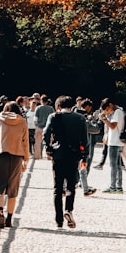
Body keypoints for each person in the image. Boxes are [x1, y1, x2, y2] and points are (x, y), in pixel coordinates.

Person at [43, 95, 88, 228]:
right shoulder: (80, 118)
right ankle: (68, 209)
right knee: (71, 186)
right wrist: (85, 156)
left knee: (57, 188)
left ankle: (58, 219)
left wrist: (48, 147)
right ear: (72, 106)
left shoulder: (54, 117)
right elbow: (84, 140)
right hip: (73, 155)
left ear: (58, 106)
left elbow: (46, 133)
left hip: (58, 154)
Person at [0, 100, 30, 228]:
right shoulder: (22, 121)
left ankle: (0, 214)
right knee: (13, 188)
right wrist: (26, 160)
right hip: (17, 157)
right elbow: (25, 142)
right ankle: (10, 218)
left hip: (1, 155)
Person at [99, 98, 125, 193]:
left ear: (110, 105)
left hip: (114, 142)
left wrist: (104, 119)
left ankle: (113, 186)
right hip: (117, 141)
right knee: (118, 165)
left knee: (113, 165)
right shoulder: (119, 111)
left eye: (107, 109)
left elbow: (113, 126)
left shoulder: (117, 112)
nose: (107, 112)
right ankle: (118, 186)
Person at [75, 98, 98, 196]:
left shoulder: (72, 117)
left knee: (71, 167)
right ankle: (84, 188)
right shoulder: (84, 120)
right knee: (83, 167)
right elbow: (96, 129)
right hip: (83, 147)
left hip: (71, 145)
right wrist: (91, 119)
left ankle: (64, 187)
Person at [33, 94, 55, 159]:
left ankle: (38, 156)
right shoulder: (51, 108)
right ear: (47, 101)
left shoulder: (38, 108)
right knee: (49, 142)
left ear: (41, 101)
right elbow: (54, 117)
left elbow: (35, 119)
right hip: (48, 128)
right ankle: (49, 156)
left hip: (39, 127)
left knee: (38, 143)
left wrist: (36, 125)